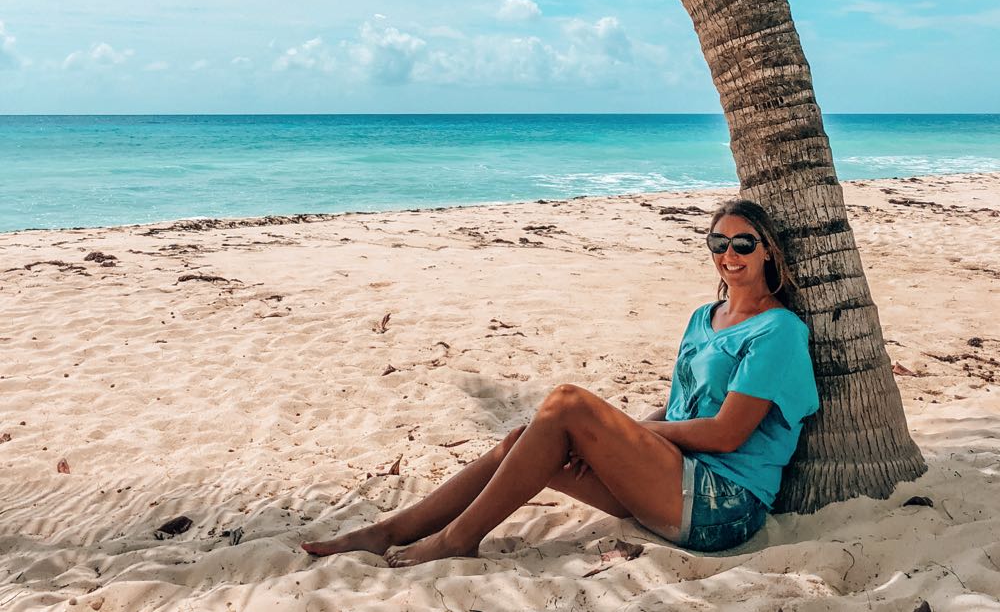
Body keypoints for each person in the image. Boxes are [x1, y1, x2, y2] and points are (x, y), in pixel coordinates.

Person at [302, 198, 819, 565]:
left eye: (744, 244)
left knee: (569, 403)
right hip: (669, 479)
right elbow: (679, 407)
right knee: (519, 444)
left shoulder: (778, 330)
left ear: (768, 251)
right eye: (718, 241)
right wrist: (619, 442)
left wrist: (617, 434)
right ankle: (388, 531)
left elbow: (727, 434)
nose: (729, 254)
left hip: (720, 505)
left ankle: (458, 538)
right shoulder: (705, 316)